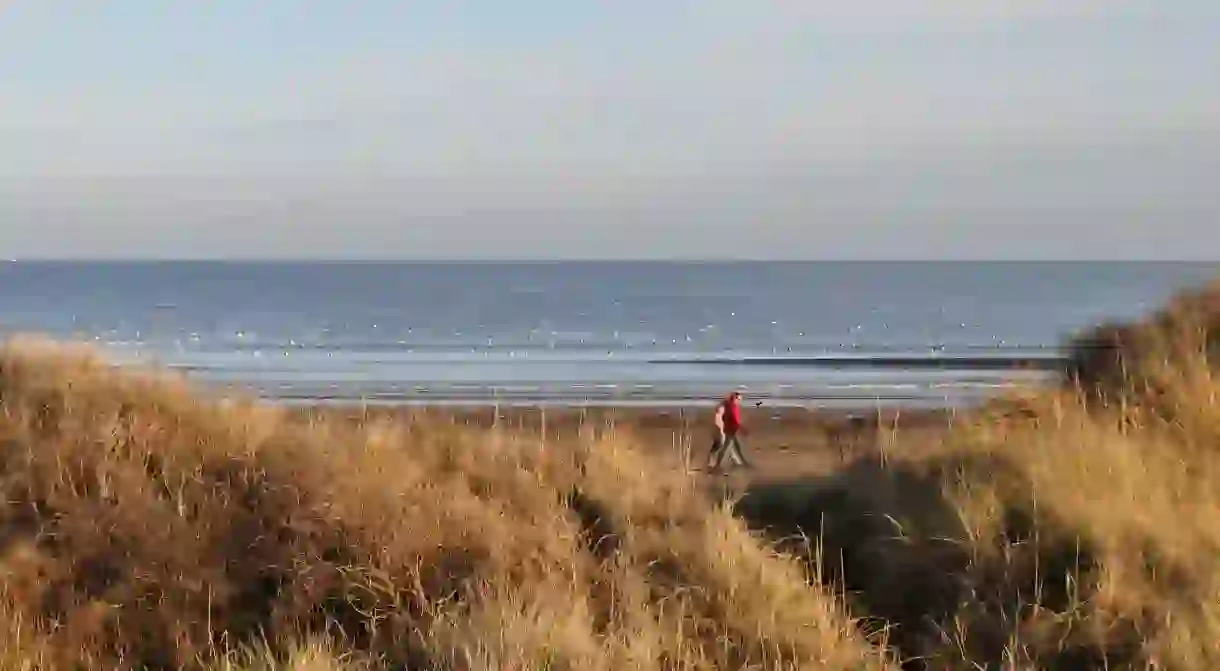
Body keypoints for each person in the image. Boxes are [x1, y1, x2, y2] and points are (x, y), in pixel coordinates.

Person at [706, 391, 752, 472]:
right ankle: (716, 465)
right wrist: (742, 430)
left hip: (729, 430)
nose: (739, 401)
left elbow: (734, 420)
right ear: (734, 398)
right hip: (727, 430)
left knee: (733, 447)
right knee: (724, 447)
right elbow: (732, 420)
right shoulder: (728, 407)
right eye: (738, 399)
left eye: (740, 399)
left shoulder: (731, 406)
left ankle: (739, 463)